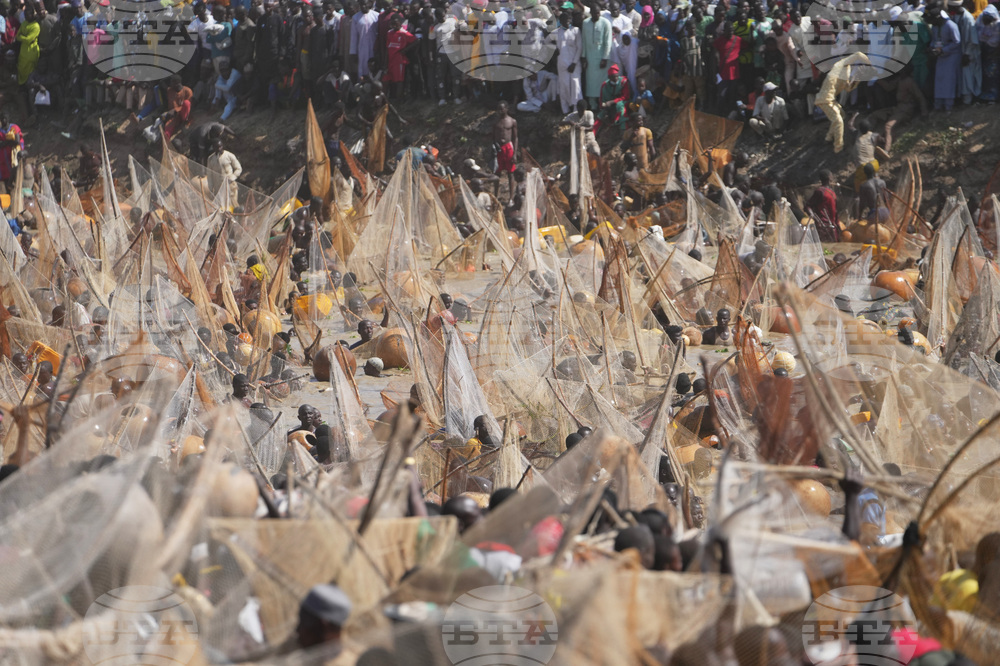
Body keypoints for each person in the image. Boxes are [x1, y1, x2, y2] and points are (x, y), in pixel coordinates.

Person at [816, 52, 871, 153]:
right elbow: (858, 54)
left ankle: (828, 138)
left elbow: (848, 88)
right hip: (825, 99)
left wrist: (857, 78)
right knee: (839, 121)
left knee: (841, 114)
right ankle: (838, 148)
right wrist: (869, 64)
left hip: (831, 99)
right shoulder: (841, 64)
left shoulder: (845, 71)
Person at [296, 584, 352, 651]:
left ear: (324, 625)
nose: (297, 630)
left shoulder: (354, 661)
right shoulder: (290, 650)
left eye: (304, 623)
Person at [949, 0, 981, 105]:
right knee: (961, 76)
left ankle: (968, 100)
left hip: (968, 52)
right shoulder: (956, 16)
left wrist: (967, 54)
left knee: (968, 76)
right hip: (960, 52)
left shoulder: (968, 18)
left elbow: (972, 40)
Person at [581, 1, 612, 106]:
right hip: (590, 57)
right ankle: (592, 104)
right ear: (591, 12)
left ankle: (602, 104)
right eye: (595, 13)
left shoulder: (606, 23)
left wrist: (605, 58)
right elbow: (584, 41)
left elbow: (608, 42)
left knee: (602, 82)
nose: (597, 15)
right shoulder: (585, 23)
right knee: (590, 82)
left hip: (601, 57)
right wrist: (583, 57)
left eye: (598, 13)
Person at [552, 9, 583, 114]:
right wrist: (553, 50)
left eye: (569, 19)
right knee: (564, 86)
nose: (567, 21)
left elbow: (579, 48)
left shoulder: (576, 30)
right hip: (562, 63)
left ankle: (576, 109)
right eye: (564, 20)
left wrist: (574, 63)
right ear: (560, 21)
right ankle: (565, 110)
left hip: (574, 64)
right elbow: (546, 41)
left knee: (575, 86)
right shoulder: (556, 32)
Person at [931, 9, 962, 111]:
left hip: (951, 56)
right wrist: (933, 48)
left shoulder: (951, 25)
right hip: (940, 57)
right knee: (939, 81)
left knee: (949, 82)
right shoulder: (935, 27)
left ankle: (949, 106)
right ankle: (938, 105)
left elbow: (957, 42)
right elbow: (934, 40)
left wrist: (944, 50)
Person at [384, 14, 417, 99]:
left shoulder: (404, 33)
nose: (395, 25)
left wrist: (405, 50)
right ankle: (388, 99)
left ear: (400, 23)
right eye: (393, 23)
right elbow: (387, 48)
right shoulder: (389, 33)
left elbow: (416, 41)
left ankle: (399, 100)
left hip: (398, 60)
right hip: (390, 60)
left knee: (399, 80)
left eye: (396, 23)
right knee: (388, 80)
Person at [492, 101, 518, 196]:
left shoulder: (512, 121)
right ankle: (495, 195)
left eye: (502, 108)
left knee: (510, 173)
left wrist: (515, 153)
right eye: (499, 109)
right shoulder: (495, 122)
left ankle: (511, 197)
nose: (500, 111)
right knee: (497, 173)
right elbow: (493, 136)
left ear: (507, 109)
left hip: (508, 148)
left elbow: (515, 138)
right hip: (498, 148)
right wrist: (493, 149)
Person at [595, 63, 630, 132]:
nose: (616, 79)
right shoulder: (605, 85)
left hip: (622, 104)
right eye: (613, 77)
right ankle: (592, 134)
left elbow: (626, 96)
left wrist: (613, 102)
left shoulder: (623, 82)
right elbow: (602, 99)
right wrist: (604, 107)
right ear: (609, 77)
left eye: (617, 76)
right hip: (609, 107)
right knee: (600, 116)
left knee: (620, 107)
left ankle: (623, 130)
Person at [807, 170, 839, 242]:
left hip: (833, 226)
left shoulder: (831, 191)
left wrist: (837, 223)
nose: (832, 177)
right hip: (823, 226)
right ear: (828, 177)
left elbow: (835, 210)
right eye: (831, 175)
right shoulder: (820, 191)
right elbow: (808, 206)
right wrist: (816, 219)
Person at [207, 139, 243, 204]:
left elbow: (238, 168)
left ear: (222, 146)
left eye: (220, 147)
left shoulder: (229, 156)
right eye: (217, 147)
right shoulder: (211, 159)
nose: (219, 149)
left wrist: (232, 177)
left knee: (232, 206)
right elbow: (209, 174)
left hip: (230, 187)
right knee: (221, 207)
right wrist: (210, 188)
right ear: (214, 148)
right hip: (218, 188)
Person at [351, 0, 379, 79]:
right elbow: (354, 36)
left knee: (373, 66)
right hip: (361, 47)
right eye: (362, 4)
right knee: (362, 66)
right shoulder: (355, 17)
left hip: (373, 46)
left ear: (369, 4)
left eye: (365, 4)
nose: (364, 6)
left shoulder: (376, 15)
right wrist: (354, 52)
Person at [979, 6, 1000, 103]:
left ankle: (993, 96)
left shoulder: (997, 25)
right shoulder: (982, 21)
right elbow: (979, 33)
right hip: (984, 51)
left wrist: (993, 52)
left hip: (993, 54)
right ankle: (986, 95)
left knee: (993, 75)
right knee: (986, 75)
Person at [0, 114, 23, 188]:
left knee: (15, 170)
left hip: (14, 153)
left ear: (8, 119)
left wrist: (5, 142)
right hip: (4, 158)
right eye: (2, 119)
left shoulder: (14, 127)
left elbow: (17, 141)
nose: (3, 120)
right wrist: (9, 142)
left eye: (5, 118)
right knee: (6, 176)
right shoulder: (0, 131)